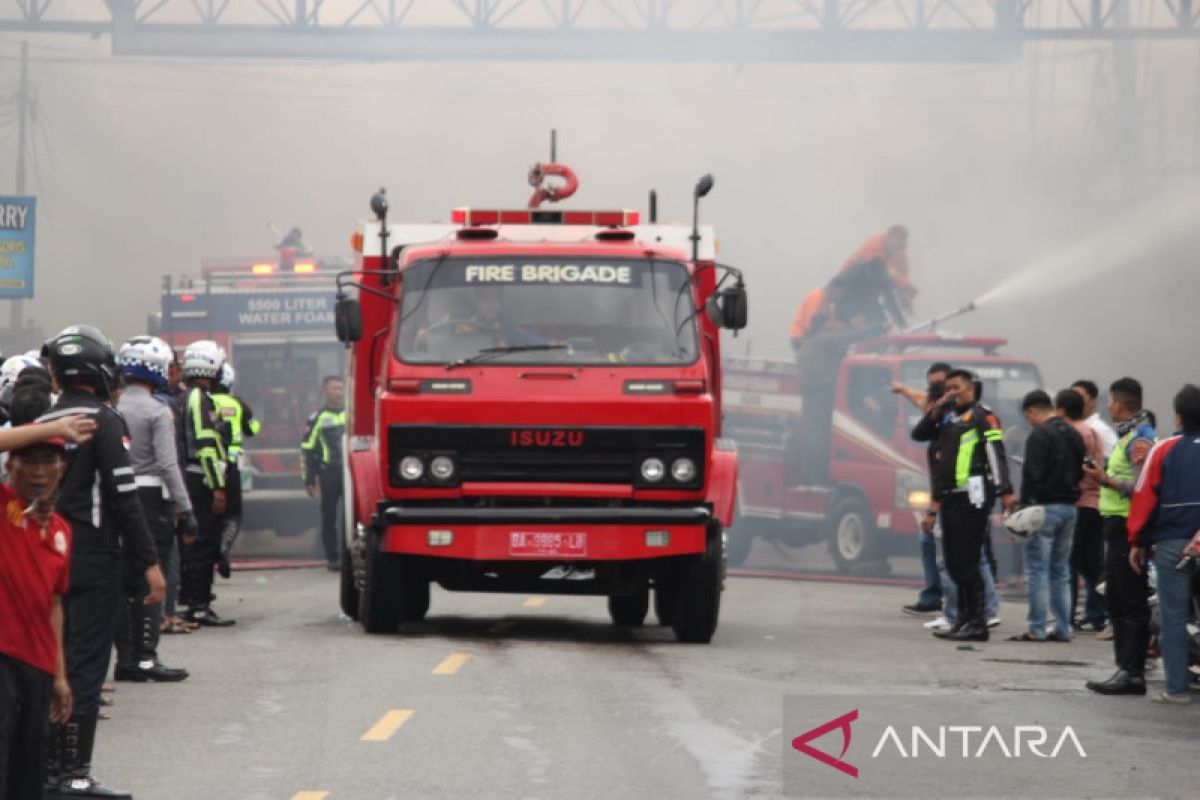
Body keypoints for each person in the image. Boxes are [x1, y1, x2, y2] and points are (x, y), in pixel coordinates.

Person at [41, 325, 164, 799]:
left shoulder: (46, 419)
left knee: (55, 662)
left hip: (49, 558)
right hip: (93, 559)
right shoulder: (105, 421)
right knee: (88, 666)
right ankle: (72, 773)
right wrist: (148, 563)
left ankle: (47, 769)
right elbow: (124, 499)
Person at [0, 417, 97, 798]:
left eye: (48, 462)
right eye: (30, 461)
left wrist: (59, 676)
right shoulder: (7, 510)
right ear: (11, 466)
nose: (39, 472)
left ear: (62, 469)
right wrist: (52, 427)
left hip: (38, 669)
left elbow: (54, 604)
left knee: (29, 776)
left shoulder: (60, 530)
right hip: (3, 662)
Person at [113, 335, 196, 682]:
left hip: (118, 500)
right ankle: (147, 659)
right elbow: (167, 464)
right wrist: (186, 506)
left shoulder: (113, 408)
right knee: (152, 577)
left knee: (126, 583)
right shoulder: (157, 411)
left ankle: (126, 659)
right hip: (150, 501)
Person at [913, 368, 1015, 642]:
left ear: (971, 388)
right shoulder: (948, 420)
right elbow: (919, 433)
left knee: (968, 561)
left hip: (974, 496)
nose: (952, 392)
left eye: (956, 387)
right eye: (948, 388)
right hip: (950, 497)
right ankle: (965, 619)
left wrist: (1005, 491)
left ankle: (978, 621)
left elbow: (996, 454)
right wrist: (937, 408)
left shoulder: (984, 417)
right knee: (954, 562)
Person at [1126, 384, 1200, 704]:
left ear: (1179, 418)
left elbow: (1144, 497)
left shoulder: (1164, 449)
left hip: (1174, 544)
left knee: (1172, 617)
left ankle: (1177, 689)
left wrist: (1138, 540)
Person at [1083, 377, 1157, 696]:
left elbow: (1143, 487)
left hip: (1129, 527)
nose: (1109, 406)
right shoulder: (1128, 435)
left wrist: (1105, 481)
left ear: (1122, 403)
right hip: (1115, 524)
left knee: (1131, 600)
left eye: (1111, 401)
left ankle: (1133, 672)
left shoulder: (1141, 439)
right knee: (1115, 597)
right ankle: (1123, 667)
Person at [1008, 390, 1084, 643]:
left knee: (1037, 569)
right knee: (1061, 570)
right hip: (1070, 508)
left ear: (1032, 410)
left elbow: (1032, 475)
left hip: (1043, 509)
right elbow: (1081, 470)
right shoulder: (1073, 433)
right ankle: (1064, 627)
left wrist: (1023, 506)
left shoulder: (1039, 435)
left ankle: (1037, 628)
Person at [176, 340, 235, 628]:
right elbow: (206, 445)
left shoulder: (189, 396)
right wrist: (217, 486)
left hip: (193, 476)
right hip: (201, 478)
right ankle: (199, 606)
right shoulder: (200, 399)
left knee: (199, 542)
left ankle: (197, 602)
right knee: (205, 542)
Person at [899, 363, 952, 616]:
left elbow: (949, 471)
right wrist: (902, 389)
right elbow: (921, 407)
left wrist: (935, 508)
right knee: (928, 541)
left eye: (940, 384)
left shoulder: (959, 420)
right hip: (941, 492)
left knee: (949, 553)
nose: (935, 390)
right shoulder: (937, 414)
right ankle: (934, 596)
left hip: (955, 496)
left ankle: (959, 608)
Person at [1057, 389, 1107, 632]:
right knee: (1091, 564)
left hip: (1079, 503)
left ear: (1062, 410)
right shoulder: (1093, 433)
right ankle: (1097, 613)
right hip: (1095, 502)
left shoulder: (1071, 434)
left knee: (1070, 563)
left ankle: (1066, 616)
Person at [211, 363, 259, 579]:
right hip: (231, 467)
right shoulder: (237, 404)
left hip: (205, 466)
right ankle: (223, 548)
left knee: (207, 516)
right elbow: (253, 430)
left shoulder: (201, 401)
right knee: (234, 514)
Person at [302, 376, 346, 571]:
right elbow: (307, 451)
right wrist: (309, 480)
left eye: (340, 388)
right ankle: (332, 557)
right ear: (325, 391)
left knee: (355, 516)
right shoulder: (316, 419)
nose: (337, 392)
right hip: (329, 473)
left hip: (351, 473)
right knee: (328, 516)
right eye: (333, 388)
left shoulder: (353, 414)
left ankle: (353, 554)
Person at [839, 224, 916, 318]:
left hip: (870, 287)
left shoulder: (898, 249)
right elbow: (886, 273)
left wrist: (906, 297)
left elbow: (901, 273)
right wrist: (905, 286)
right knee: (874, 318)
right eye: (899, 243)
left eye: (901, 243)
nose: (899, 247)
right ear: (890, 237)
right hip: (850, 287)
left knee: (879, 317)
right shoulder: (875, 247)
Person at [1071, 379, 1118, 457]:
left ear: (1093, 401)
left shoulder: (1099, 429)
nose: (1075, 401)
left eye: (1080, 397)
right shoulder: (1072, 426)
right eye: (1072, 396)